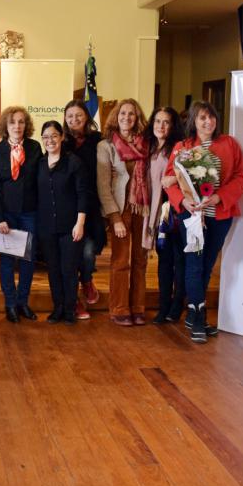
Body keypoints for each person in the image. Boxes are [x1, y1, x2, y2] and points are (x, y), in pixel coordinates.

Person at [165, 101, 243, 342]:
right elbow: (169, 178)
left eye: (211, 117)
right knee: (194, 265)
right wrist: (183, 202)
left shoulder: (229, 144)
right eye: (202, 118)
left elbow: (240, 177)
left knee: (208, 264)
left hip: (219, 216)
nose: (208, 122)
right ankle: (199, 318)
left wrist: (220, 197)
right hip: (192, 218)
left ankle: (192, 312)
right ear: (194, 121)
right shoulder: (182, 147)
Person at [96, 98, 149, 326]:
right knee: (120, 261)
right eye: (123, 114)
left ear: (137, 118)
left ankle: (137, 306)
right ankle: (119, 307)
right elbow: (103, 185)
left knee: (140, 259)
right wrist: (114, 217)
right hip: (121, 209)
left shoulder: (147, 144)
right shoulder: (106, 146)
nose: (126, 118)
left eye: (131, 114)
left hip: (143, 208)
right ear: (116, 117)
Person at [0, 106, 41, 323]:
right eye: (12, 123)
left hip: (30, 213)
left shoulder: (35, 148)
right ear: (5, 127)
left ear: (26, 125)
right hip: (6, 215)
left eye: (21, 122)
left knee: (28, 260)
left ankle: (23, 303)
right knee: (7, 261)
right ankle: (9, 304)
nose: (17, 126)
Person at [36, 121, 87, 325]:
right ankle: (57, 307)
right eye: (46, 137)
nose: (50, 140)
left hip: (70, 226)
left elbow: (83, 195)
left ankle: (69, 309)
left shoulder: (74, 163)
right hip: (47, 227)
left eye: (54, 135)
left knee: (69, 269)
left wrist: (80, 223)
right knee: (54, 269)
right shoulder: (39, 164)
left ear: (62, 137)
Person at [142, 107, 186, 325]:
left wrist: (176, 180)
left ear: (173, 125)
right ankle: (163, 306)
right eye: (157, 121)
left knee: (178, 260)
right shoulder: (148, 147)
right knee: (163, 262)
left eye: (166, 122)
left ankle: (176, 306)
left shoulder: (179, 148)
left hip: (174, 211)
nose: (161, 126)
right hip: (155, 212)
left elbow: (188, 177)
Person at [62, 99, 105, 320]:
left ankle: (87, 280)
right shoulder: (61, 141)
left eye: (78, 115)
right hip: (67, 207)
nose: (74, 120)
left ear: (87, 117)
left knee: (88, 252)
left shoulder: (98, 141)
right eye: (70, 116)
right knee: (70, 257)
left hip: (91, 205)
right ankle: (75, 300)